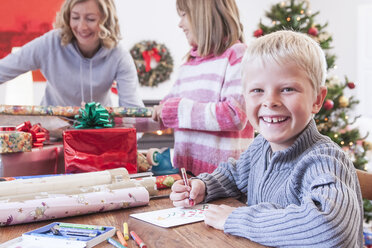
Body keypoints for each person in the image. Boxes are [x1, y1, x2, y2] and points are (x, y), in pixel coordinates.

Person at [170, 30, 363, 247]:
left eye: (288, 89)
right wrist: (204, 186)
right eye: (258, 90)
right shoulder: (261, 146)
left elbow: (330, 228)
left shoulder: (324, 160)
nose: (270, 101)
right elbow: (234, 175)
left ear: (317, 100)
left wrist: (236, 219)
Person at [145, 0, 254, 176]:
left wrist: (176, 110)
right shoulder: (188, 65)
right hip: (187, 177)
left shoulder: (238, 55)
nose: (180, 24)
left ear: (203, 15)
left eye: (183, 15)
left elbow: (235, 115)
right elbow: (163, 113)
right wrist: (117, 121)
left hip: (225, 182)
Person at [0, 0, 143, 108]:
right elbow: (4, 69)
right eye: (75, 17)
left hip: (97, 134)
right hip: (53, 135)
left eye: (91, 19)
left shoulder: (118, 56)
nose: (82, 27)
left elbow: (133, 109)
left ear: (106, 21)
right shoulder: (50, 43)